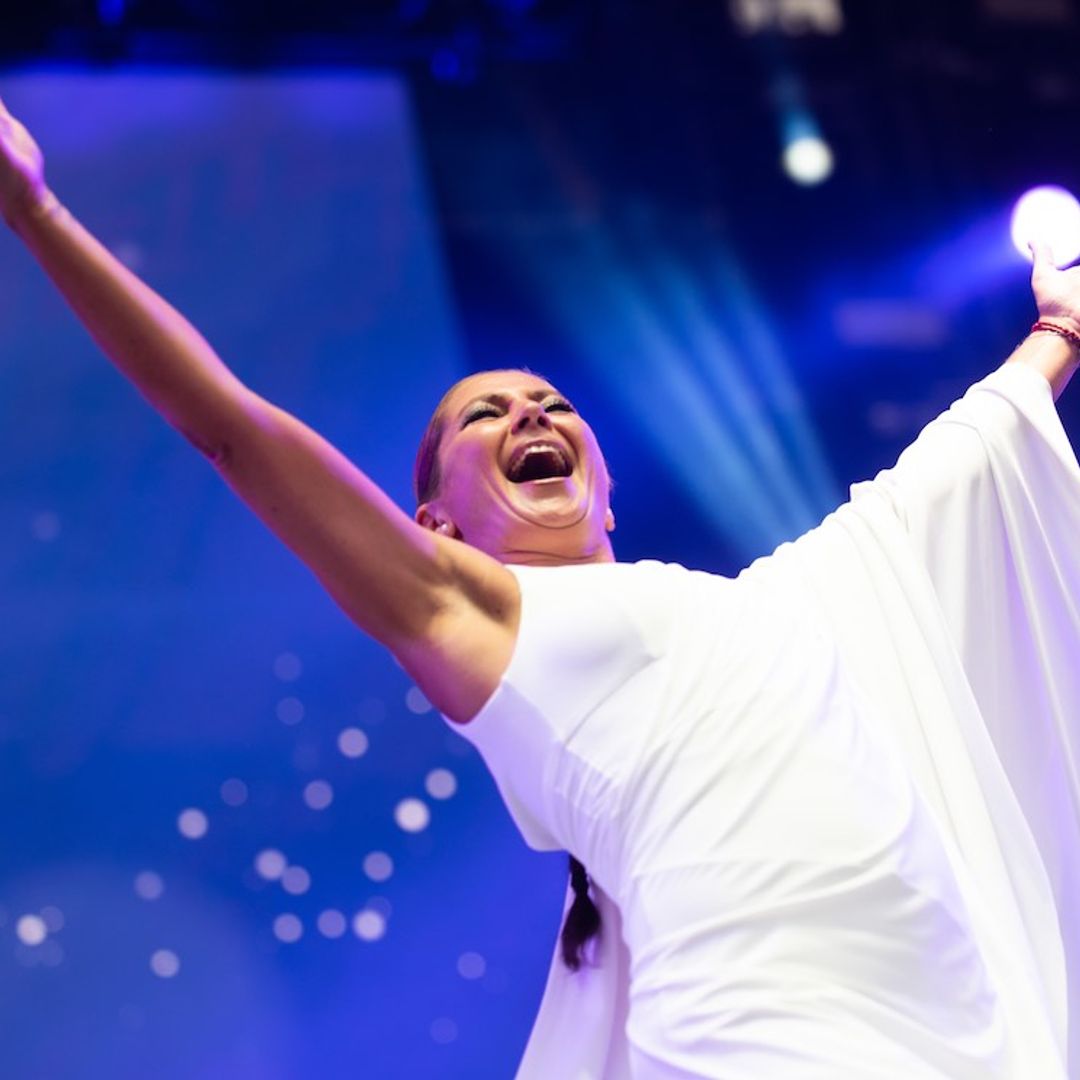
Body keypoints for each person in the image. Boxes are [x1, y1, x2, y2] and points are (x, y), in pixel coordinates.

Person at [2, 96, 1079, 1079]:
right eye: (486, 414)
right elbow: (234, 431)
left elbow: (948, 472)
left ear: (605, 488)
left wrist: (1058, 332)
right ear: (435, 524)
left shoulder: (786, 600)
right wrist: (40, 213)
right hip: (761, 1040)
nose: (531, 417)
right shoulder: (485, 623)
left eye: (552, 401)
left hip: (929, 1035)